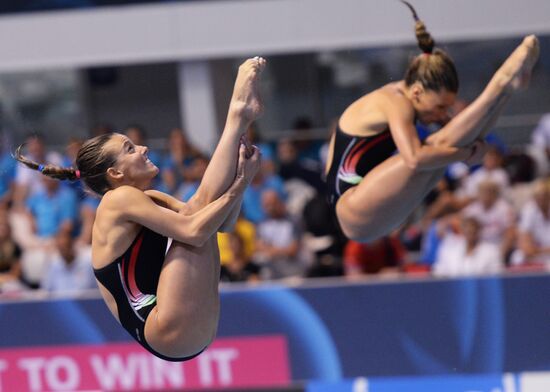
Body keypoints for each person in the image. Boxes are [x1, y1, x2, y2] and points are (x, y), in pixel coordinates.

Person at [14, 57, 266, 361]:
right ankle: (235, 117)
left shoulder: (147, 198)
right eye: (130, 149)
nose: (143, 148)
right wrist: (241, 181)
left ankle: (236, 118)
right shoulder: (116, 200)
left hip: (185, 331)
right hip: (166, 327)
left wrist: (243, 180)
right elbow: (195, 232)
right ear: (116, 174)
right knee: (195, 217)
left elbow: (221, 223)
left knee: (198, 211)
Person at [324, 1, 539, 242]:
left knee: (443, 150)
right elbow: (414, 159)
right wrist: (465, 156)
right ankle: (499, 85)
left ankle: (506, 91)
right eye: (439, 107)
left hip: (372, 211)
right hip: (353, 207)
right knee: (436, 149)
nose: (442, 114)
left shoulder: (412, 101)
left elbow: (460, 133)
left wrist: (472, 149)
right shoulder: (395, 102)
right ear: (416, 92)